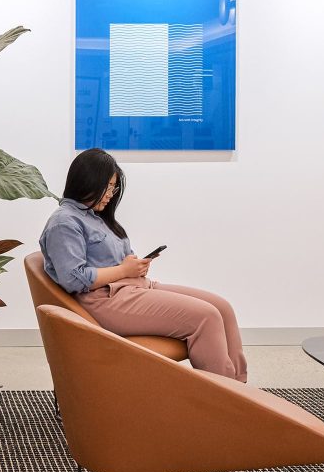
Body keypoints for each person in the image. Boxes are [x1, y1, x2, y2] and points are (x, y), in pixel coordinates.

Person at [39, 148, 247, 382]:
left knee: (222, 307)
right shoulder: (64, 222)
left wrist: (135, 266)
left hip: (135, 287)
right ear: (88, 181)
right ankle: (223, 400)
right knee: (207, 317)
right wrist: (123, 270)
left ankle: (240, 389)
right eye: (107, 186)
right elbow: (73, 278)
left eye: (113, 187)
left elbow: (118, 258)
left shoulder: (96, 216)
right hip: (107, 300)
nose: (110, 194)